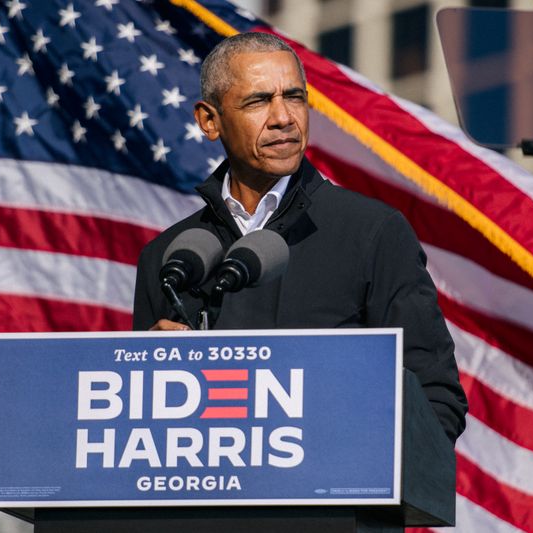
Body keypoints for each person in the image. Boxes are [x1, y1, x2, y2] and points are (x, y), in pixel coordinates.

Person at [133, 32, 467, 444]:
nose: (283, 117)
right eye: (258, 101)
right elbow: (145, 429)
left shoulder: (373, 231)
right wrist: (144, 382)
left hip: (335, 504)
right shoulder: (167, 258)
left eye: (294, 96)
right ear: (209, 120)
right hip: (207, 501)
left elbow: (435, 398)